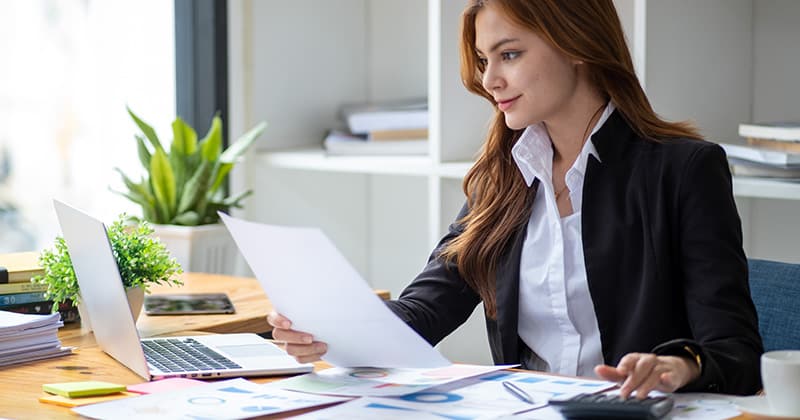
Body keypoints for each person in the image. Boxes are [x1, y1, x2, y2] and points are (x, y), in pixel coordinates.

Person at [268, 0, 763, 398]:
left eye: (509, 55)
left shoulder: (682, 170)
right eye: (485, 61)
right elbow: (426, 309)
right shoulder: (503, 176)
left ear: (577, 45)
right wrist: (333, 328)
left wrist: (675, 366)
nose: (489, 81)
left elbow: (734, 353)